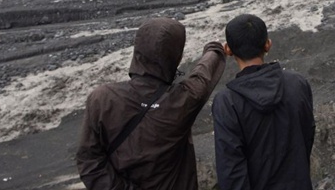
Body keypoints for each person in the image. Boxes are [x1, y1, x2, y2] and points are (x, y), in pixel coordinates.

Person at [76, 17, 226, 190]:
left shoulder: (101, 98)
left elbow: (88, 161)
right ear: (175, 56)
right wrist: (214, 48)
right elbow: (202, 75)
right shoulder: (183, 99)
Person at [212, 14, 315, 190]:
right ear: (267, 44)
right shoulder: (297, 83)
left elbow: (230, 168)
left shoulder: (227, 102)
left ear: (228, 50)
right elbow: (307, 134)